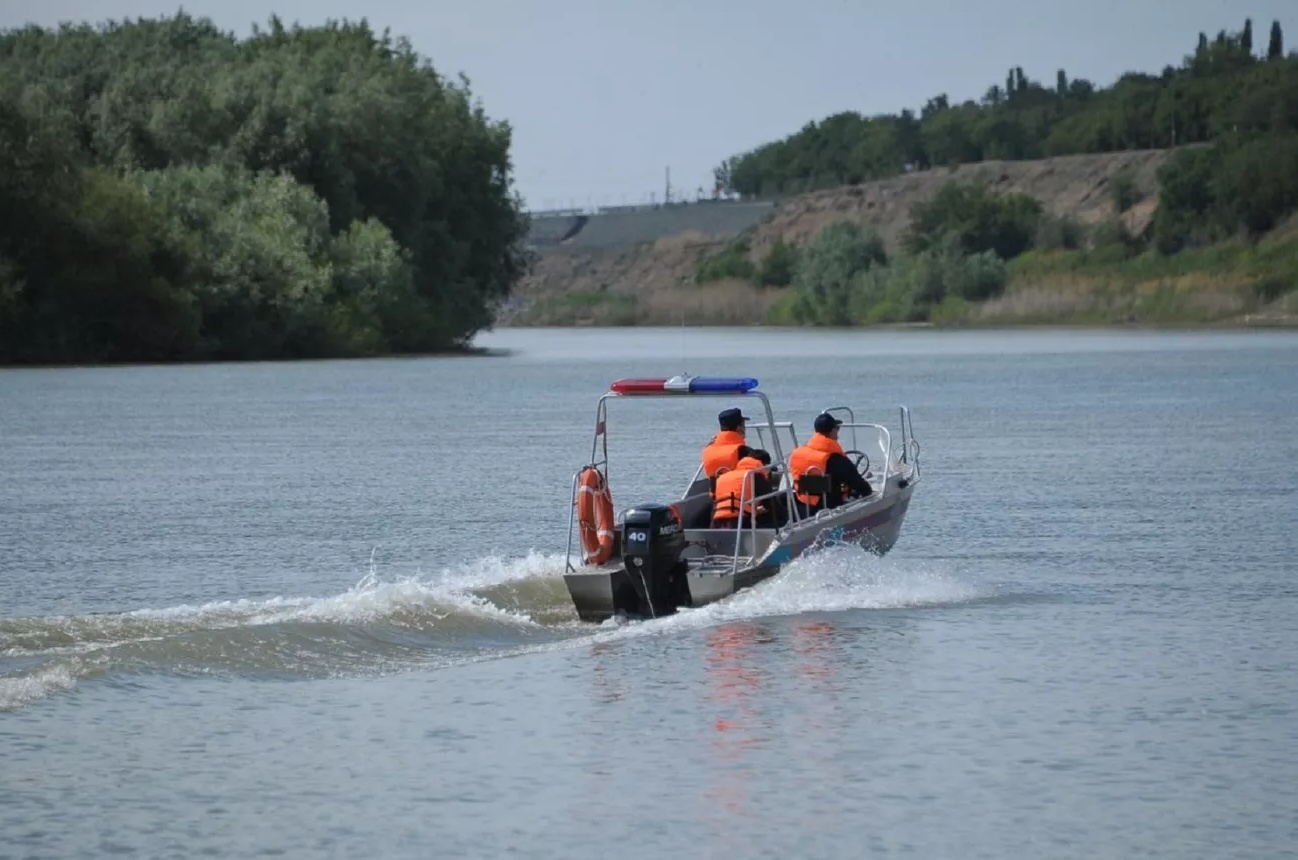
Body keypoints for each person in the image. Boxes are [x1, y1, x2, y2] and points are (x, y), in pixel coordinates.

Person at [788, 412, 873, 516]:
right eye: (837, 428)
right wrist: (868, 492)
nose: (838, 433)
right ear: (832, 430)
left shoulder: (799, 453)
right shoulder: (836, 460)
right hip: (828, 509)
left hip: (802, 508)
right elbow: (860, 485)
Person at [711, 454, 778, 529]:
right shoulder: (755, 476)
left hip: (717, 521)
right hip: (741, 521)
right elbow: (771, 504)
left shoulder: (723, 477)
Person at [701, 407, 767, 481]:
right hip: (740, 491)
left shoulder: (708, 449)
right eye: (743, 425)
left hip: (716, 491)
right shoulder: (744, 451)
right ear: (739, 428)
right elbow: (763, 471)